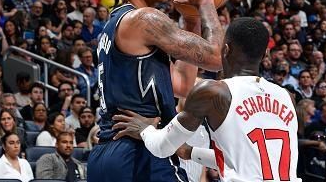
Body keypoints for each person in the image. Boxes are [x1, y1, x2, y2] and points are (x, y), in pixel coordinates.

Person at [87, 0, 223, 182]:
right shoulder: (144, 18)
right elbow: (216, 58)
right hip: (142, 152)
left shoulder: (117, 22)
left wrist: (191, 19)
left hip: (107, 154)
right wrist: (206, 2)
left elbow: (181, 84)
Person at [112, 18, 300, 181]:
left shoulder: (213, 92)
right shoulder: (287, 96)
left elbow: (162, 148)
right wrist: (190, 152)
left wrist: (145, 130)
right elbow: (250, 161)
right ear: (265, 54)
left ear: (225, 50)